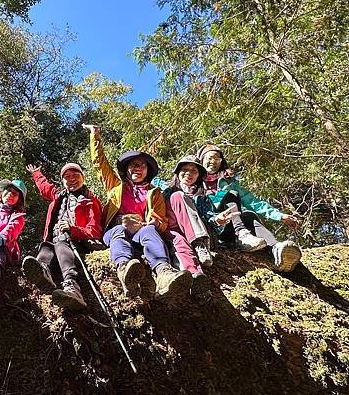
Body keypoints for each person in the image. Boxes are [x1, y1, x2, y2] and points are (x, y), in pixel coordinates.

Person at [83, 124, 192, 300]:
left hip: (141, 232)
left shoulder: (154, 193)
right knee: (119, 230)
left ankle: (164, 273)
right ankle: (124, 268)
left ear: (147, 171)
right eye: (133, 165)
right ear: (126, 169)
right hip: (116, 230)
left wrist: (154, 223)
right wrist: (95, 136)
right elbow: (99, 164)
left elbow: (162, 222)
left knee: (149, 230)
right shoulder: (116, 186)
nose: (137, 168)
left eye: (142, 166)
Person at [197, 144, 302, 272]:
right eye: (209, 158)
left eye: (217, 159)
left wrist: (279, 215)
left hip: (231, 228)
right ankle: (241, 234)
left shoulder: (228, 184)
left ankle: (277, 249)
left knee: (248, 214)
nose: (213, 162)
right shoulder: (194, 185)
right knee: (231, 195)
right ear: (201, 160)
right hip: (212, 230)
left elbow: (253, 202)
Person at [22, 163, 103, 310]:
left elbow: (95, 231)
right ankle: (43, 272)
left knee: (60, 241)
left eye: (75, 175)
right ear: (63, 182)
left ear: (83, 178)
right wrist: (36, 173)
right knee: (46, 246)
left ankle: (73, 287)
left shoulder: (91, 201)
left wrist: (73, 230)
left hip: (78, 241)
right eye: (67, 177)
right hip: (57, 242)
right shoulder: (59, 196)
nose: (71, 179)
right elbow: (45, 188)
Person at [161, 155, 234, 304]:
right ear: (177, 173)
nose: (188, 173)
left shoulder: (202, 198)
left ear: (199, 176)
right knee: (178, 241)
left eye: (193, 170)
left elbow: (211, 219)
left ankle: (199, 243)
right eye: (185, 169)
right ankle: (196, 278)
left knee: (178, 196)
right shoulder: (166, 193)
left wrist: (218, 221)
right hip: (175, 231)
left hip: (202, 237)